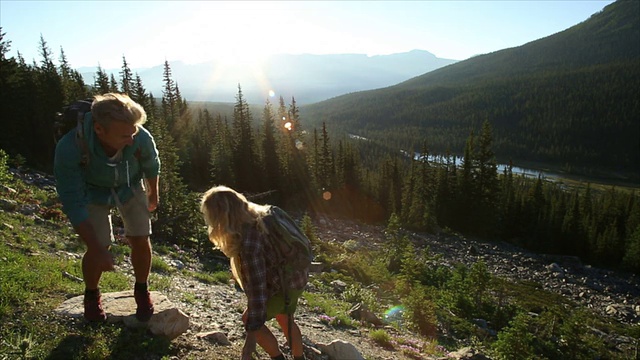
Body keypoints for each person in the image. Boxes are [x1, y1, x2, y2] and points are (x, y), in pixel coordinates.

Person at [54, 93, 160, 322]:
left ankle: (142, 289)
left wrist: (153, 194)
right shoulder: (70, 147)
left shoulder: (137, 134)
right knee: (99, 244)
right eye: (124, 135)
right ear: (100, 130)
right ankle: (92, 295)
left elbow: (152, 163)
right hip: (92, 191)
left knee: (141, 236)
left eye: (133, 132)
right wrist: (97, 248)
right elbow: (72, 200)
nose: (132, 139)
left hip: (130, 185)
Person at [200, 186, 308, 360]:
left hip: (284, 284)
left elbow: (258, 291)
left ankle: (277, 357)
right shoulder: (261, 215)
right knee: (284, 317)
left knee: (249, 318)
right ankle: (299, 357)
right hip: (296, 277)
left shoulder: (249, 240)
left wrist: (250, 339)